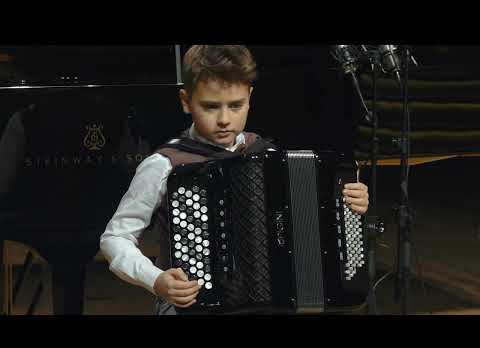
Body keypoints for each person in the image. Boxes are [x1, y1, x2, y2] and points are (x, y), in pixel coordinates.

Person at [100, 45, 370, 315]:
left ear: (250, 97)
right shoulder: (164, 165)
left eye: (236, 105)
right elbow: (115, 238)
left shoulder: (266, 154)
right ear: (186, 100)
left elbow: (314, 222)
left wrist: (348, 205)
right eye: (210, 107)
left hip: (270, 305)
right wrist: (156, 280)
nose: (224, 119)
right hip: (193, 306)